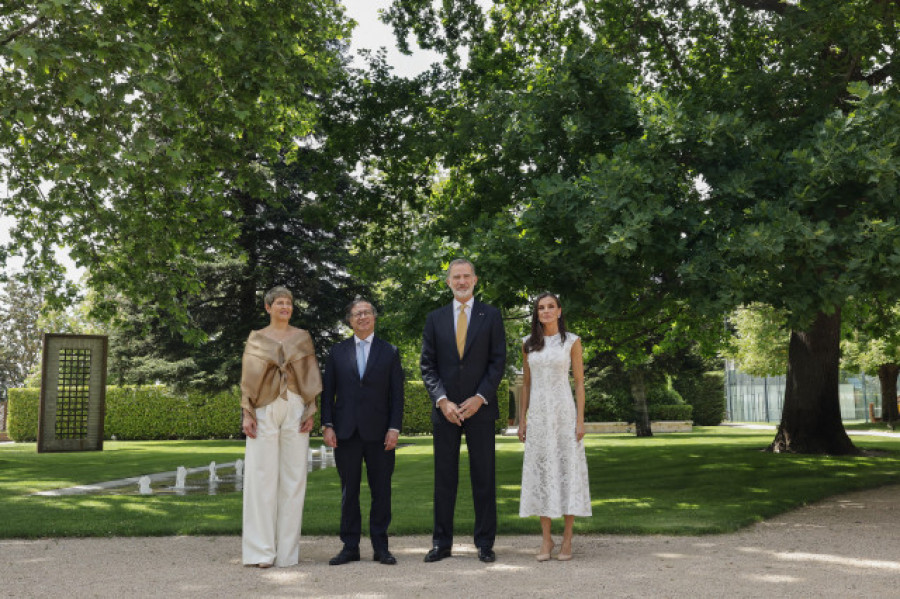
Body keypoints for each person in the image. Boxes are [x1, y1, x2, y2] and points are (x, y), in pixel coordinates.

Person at [420, 258, 507, 563]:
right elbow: (427, 366)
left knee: (483, 478)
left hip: (479, 410)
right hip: (445, 412)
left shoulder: (492, 316)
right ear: (448, 282)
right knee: (444, 479)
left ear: (475, 280)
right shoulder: (435, 318)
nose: (461, 281)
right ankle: (441, 543)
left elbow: (498, 362)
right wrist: (442, 401)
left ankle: (485, 543)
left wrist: (479, 397)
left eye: (466, 276)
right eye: (455, 277)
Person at [240, 286, 322, 568]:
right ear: (268, 307)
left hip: (296, 407)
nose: (285, 307)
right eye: (279, 303)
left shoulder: (302, 338)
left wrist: (311, 409)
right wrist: (247, 412)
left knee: (294, 478)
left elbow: (310, 375)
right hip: (263, 408)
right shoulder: (256, 339)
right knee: (260, 478)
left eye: (288, 303)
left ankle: (287, 553)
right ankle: (261, 551)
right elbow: (247, 378)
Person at [321, 299, 405, 566]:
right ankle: (350, 546)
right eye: (357, 314)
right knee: (349, 492)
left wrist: (394, 428)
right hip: (345, 433)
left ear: (374, 317)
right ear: (350, 320)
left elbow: (397, 396)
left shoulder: (389, 352)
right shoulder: (337, 352)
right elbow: (327, 393)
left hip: (381, 435)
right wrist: (327, 424)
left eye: (367, 313)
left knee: (382, 491)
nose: (362, 317)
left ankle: (381, 547)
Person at [517, 292, 591, 562]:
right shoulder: (528, 344)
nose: (545, 311)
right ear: (537, 313)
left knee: (567, 471)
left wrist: (580, 420)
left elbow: (580, 383)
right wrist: (522, 419)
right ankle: (546, 540)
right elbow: (526, 384)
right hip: (538, 416)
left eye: (550, 307)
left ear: (559, 311)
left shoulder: (571, 341)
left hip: (564, 415)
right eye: (541, 308)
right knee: (541, 473)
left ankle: (568, 539)